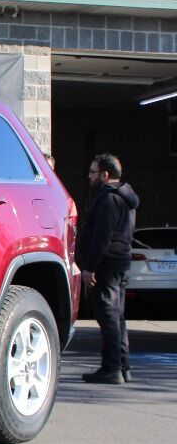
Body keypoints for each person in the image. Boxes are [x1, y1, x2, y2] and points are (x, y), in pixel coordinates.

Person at [75, 153, 139, 384]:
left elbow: (102, 236)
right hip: (121, 262)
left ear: (105, 174)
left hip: (108, 264)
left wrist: (89, 267)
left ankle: (112, 368)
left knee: (108, 315)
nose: (89, 177)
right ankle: (123, 366)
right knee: (118, 316)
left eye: (92, 172)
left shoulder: (108, 199)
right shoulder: (126, 197)